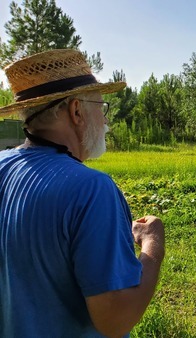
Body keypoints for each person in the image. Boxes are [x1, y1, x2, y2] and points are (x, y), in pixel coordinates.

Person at [0, 49, 165, 337]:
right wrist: (153, 247)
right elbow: (116, 319)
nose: (106, 122)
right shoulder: (91, 189)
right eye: (101, 108)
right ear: (76, 111)